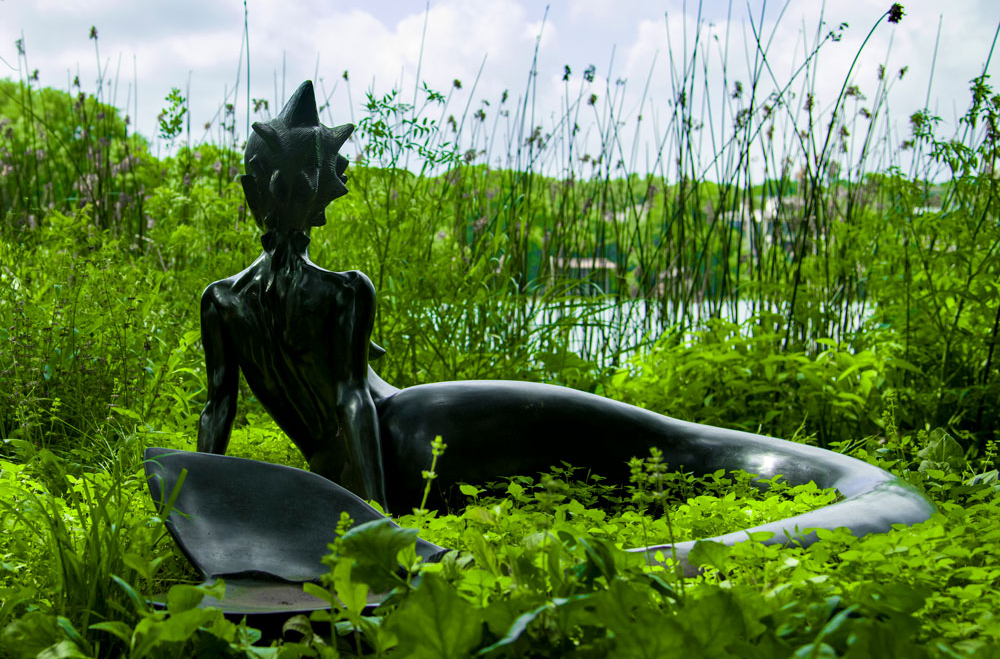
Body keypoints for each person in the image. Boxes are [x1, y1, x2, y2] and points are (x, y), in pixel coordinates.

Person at [197, 80, 932, 554]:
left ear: (260, 188)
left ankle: (841, 497)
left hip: (408, 436)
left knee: (670, 448)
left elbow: (265, 411)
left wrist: (372, 523)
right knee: (669, 445)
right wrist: (375, 522)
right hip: (416, 432)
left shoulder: (230, 299)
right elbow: (342, 400)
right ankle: (815, 508)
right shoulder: (324, 290)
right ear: (313, 193)